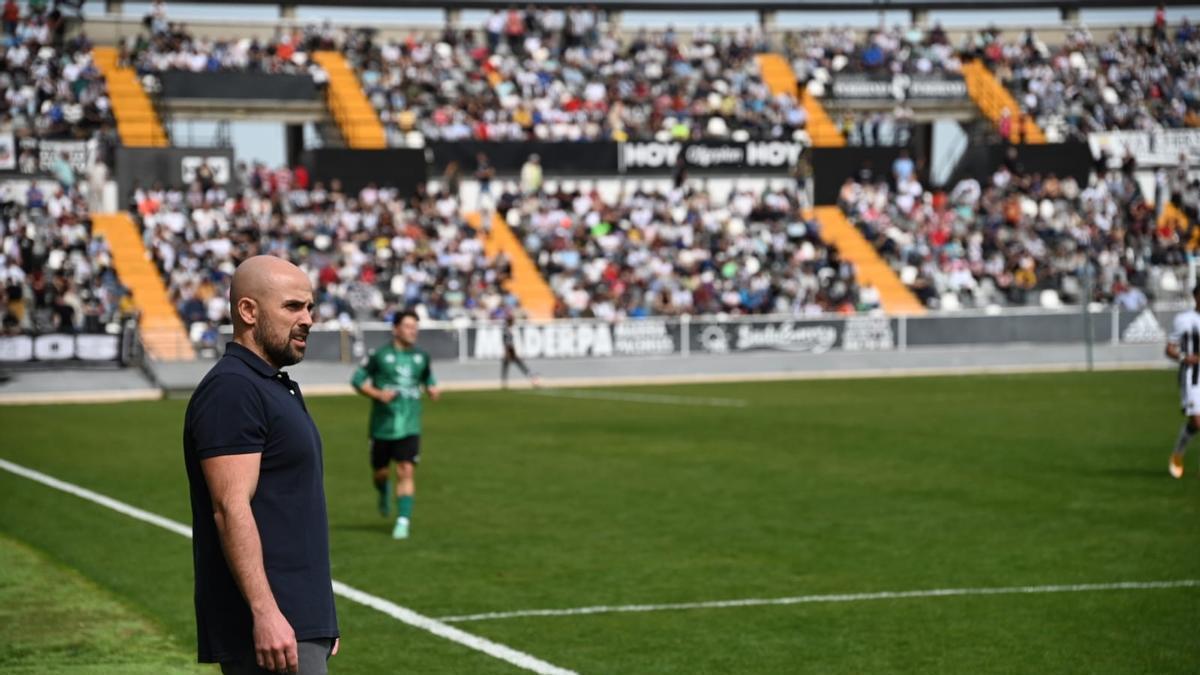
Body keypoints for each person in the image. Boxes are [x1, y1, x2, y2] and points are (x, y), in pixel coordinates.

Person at [183, 255, 339, 674]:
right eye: (292, 307)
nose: (307, 319)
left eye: (309, 307)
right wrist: (266, 612)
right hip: (272, 626)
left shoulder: (273, 386)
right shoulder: (233, 389)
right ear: (248, 311)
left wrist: (319, 612)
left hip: (298, 617)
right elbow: (230, 507)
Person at [351, 310, 440, 539]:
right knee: (380, 473)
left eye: (415, 327)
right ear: (396, 329)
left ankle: (402, 520)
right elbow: (357, 380)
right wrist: (378, 394)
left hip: (410, 425)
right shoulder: (380, 355)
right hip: (382, 426)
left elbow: (428, 377)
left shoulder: (422, 356)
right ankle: (382, 490)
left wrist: (432, 387)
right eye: (409, 326)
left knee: (406, 470)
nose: (413, 331)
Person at [1166, 284, 1200, 478]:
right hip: (1192, 376)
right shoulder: (1184, 320)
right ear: (1196, 297)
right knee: (1197, 420)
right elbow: (1169, 349)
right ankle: (1178, 455)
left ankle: (1178, 454)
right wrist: (1184, 358)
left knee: (1195, 424)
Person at [501, 315, 538, 389]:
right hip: (510, 352)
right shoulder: (507, 331)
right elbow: (508, 343)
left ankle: (504, 383)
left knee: (509, 366)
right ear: (510, 321)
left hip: (510, 352)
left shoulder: (507, 329)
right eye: (512, 320)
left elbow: (507, 343)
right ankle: (532, 379)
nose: (513, 322)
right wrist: (509, 353)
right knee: (519, 366)